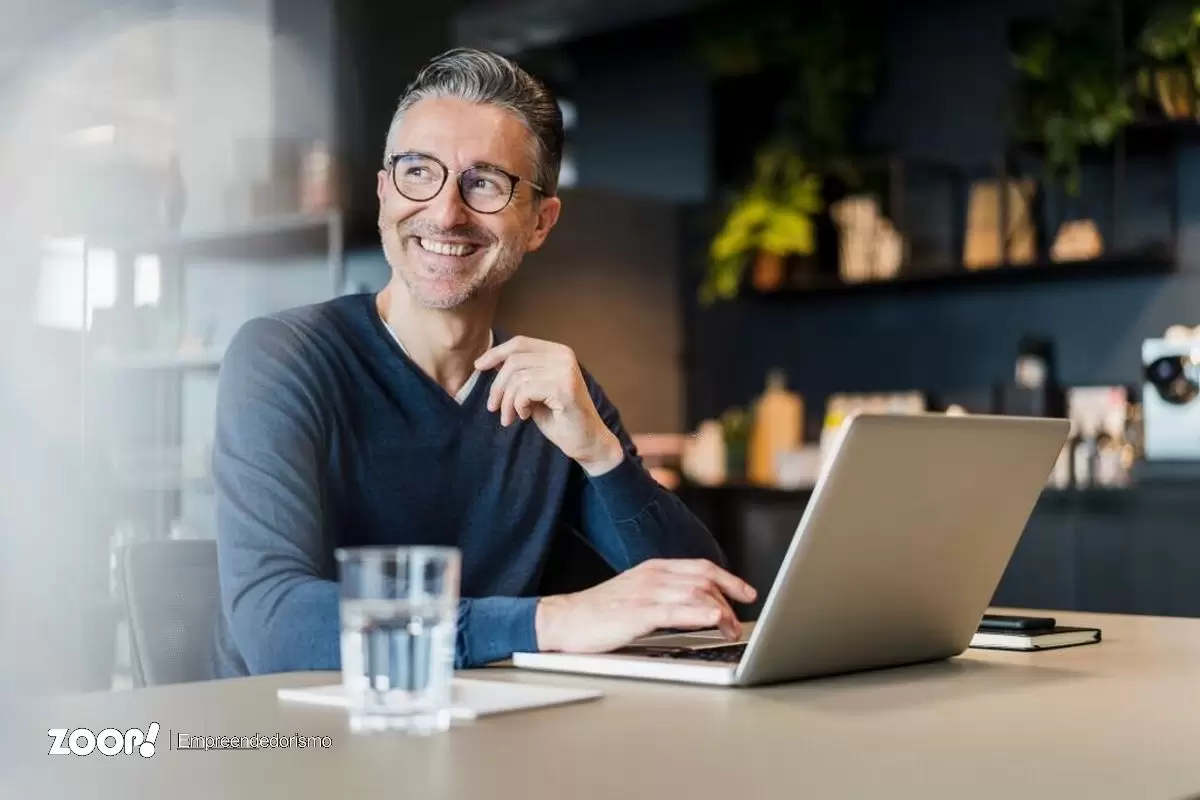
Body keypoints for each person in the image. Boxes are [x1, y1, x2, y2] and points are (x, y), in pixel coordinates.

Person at [211, 47, 756, 678]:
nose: (446, 212)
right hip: (296, 746)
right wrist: (549, 621)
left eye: (486, 183)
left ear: (541, 222)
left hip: (485, 738)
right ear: (386, 191)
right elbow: (275, 624)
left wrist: (602, 456)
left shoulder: (552, 396)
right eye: (420, 172)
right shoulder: (284, 360)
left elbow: (700, 602)